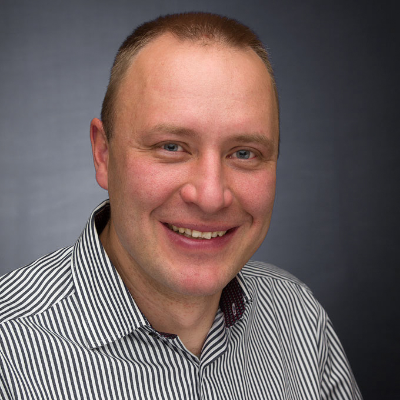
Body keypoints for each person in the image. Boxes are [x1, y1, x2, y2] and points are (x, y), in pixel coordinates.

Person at [0, 12, 362, 400]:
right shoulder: (9, 350)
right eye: (171, 147)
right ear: (103, 154)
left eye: (244, 153)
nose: (210, 196)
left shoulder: (298, 318)